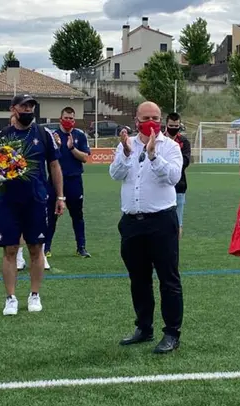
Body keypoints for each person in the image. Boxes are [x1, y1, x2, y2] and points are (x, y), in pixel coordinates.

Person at [109, 101, 184, 354]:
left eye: (155, 117)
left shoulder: (171, 147)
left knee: (168, 279)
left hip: (161, 221)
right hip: (132, 222)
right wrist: (126, 152)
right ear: (136, 120)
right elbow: (115, 174)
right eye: (145, 118)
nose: (151, 122)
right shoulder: (127, 144)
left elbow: (173, 177)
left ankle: (172, 332)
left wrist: (153, 156)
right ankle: (144, 327)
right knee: (138, 279)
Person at [0, 94, 65, 316]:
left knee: (36, 248)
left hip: (37, 200)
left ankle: (34, 294)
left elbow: (54, 166)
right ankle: (10, 298)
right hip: (9, 201)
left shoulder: (44, 134)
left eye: (31, 106)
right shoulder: (2, 136)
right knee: (10, 249)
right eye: (23, 106)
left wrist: (60, 197)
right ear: (13, 109)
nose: (28, 110)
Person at [0, 113, 50, 272]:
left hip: (36, 193)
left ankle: (42, 256)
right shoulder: (4, 137)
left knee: (37, 235)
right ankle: (19, 256)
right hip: (12, 195)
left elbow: (52, 163)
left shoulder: (39, 135)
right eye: (12, 122)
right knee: (14, 235)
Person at [44, 107, 92, 258]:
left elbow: (85, 158)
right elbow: (48, 158)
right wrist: (57, 146)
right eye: (66, 118)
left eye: (71, 118)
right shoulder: (52, 136)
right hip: (54, 181)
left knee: (77, 215)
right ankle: (46, 248)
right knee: (51, 216)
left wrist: (72, 148)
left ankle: (81, 247)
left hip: (74, 181)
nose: (69, 121)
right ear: (60, 119)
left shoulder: (79, 135)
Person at [164, 112, 191, 239]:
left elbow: (185, 162)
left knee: (178, 222)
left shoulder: (184, 142)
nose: (174, 128)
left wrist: (165, 165)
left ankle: (175, 246)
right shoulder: (158, 140)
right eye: (171, 126)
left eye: (176, 126)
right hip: (161, 186)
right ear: (166, 125)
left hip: (179, 186)